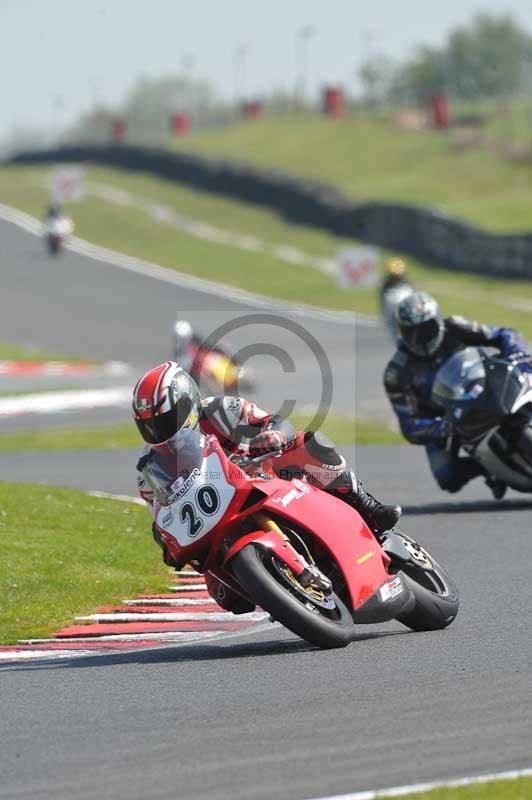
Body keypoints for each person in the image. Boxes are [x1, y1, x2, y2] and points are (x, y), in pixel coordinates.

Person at [133, 361, 401, 609]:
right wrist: (165, 541)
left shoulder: (221, 410)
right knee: (230, 600)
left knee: (308, 445)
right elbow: (163, 516)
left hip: (265, 477)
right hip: (217, 522)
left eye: (164, 420)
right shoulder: (149, 470)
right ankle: (282, 588)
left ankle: (367, 505)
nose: (159, 432)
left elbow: (275, 422)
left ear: (186, 403)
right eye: (150, 426)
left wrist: (271, 435)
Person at [383, 290, 527, 499]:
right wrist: (442, 427)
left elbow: (504, 335)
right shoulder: (397, 373)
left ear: (438, 321)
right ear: (401, 332)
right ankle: (489, 469)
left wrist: (515, 352)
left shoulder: (457, 327)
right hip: (448, 420)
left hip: (487, 387)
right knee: (447, 477)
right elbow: (409, 425)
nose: (420, 338)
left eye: (426, 329)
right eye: (411, 332)